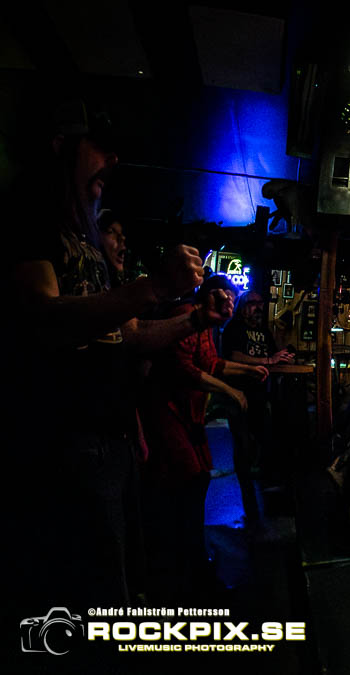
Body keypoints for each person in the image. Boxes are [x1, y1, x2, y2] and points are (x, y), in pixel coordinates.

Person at [7, 100, 233, 619]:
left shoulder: (86, 242)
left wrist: (196, 320)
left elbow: (129, 335)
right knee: (90, 600)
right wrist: (153, 286)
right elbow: (43, 315)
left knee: (125, 583)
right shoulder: (30, 219)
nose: (112, 161)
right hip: (67, 442)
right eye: (100, 147)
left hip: (113, 441)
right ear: (61, 146)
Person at [141, 274, 268, 604]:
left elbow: (210, 362)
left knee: (197, 479)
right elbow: (182, 368)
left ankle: (192, 557)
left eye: (234, 298)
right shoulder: (185, 316)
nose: (231, 304)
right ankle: (180, 566)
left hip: (188, 413)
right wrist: (231, 389)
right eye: (226, 296)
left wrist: (247, 371)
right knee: (186, 481)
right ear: (210, 295)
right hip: (168, 410)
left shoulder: (207, 325)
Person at [221, 288, 292, 478]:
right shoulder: (233, 327)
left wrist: (283, 356)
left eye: (260, 304)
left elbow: (273, 354)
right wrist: (267, 361)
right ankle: (244, 481)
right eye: (252, 303)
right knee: (242, 439)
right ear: (242, 307)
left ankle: (259, 478)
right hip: (238, 391)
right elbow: (233, 356)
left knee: (263, 436)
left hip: (259, 393)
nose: (258, 308)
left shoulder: (264, 331)